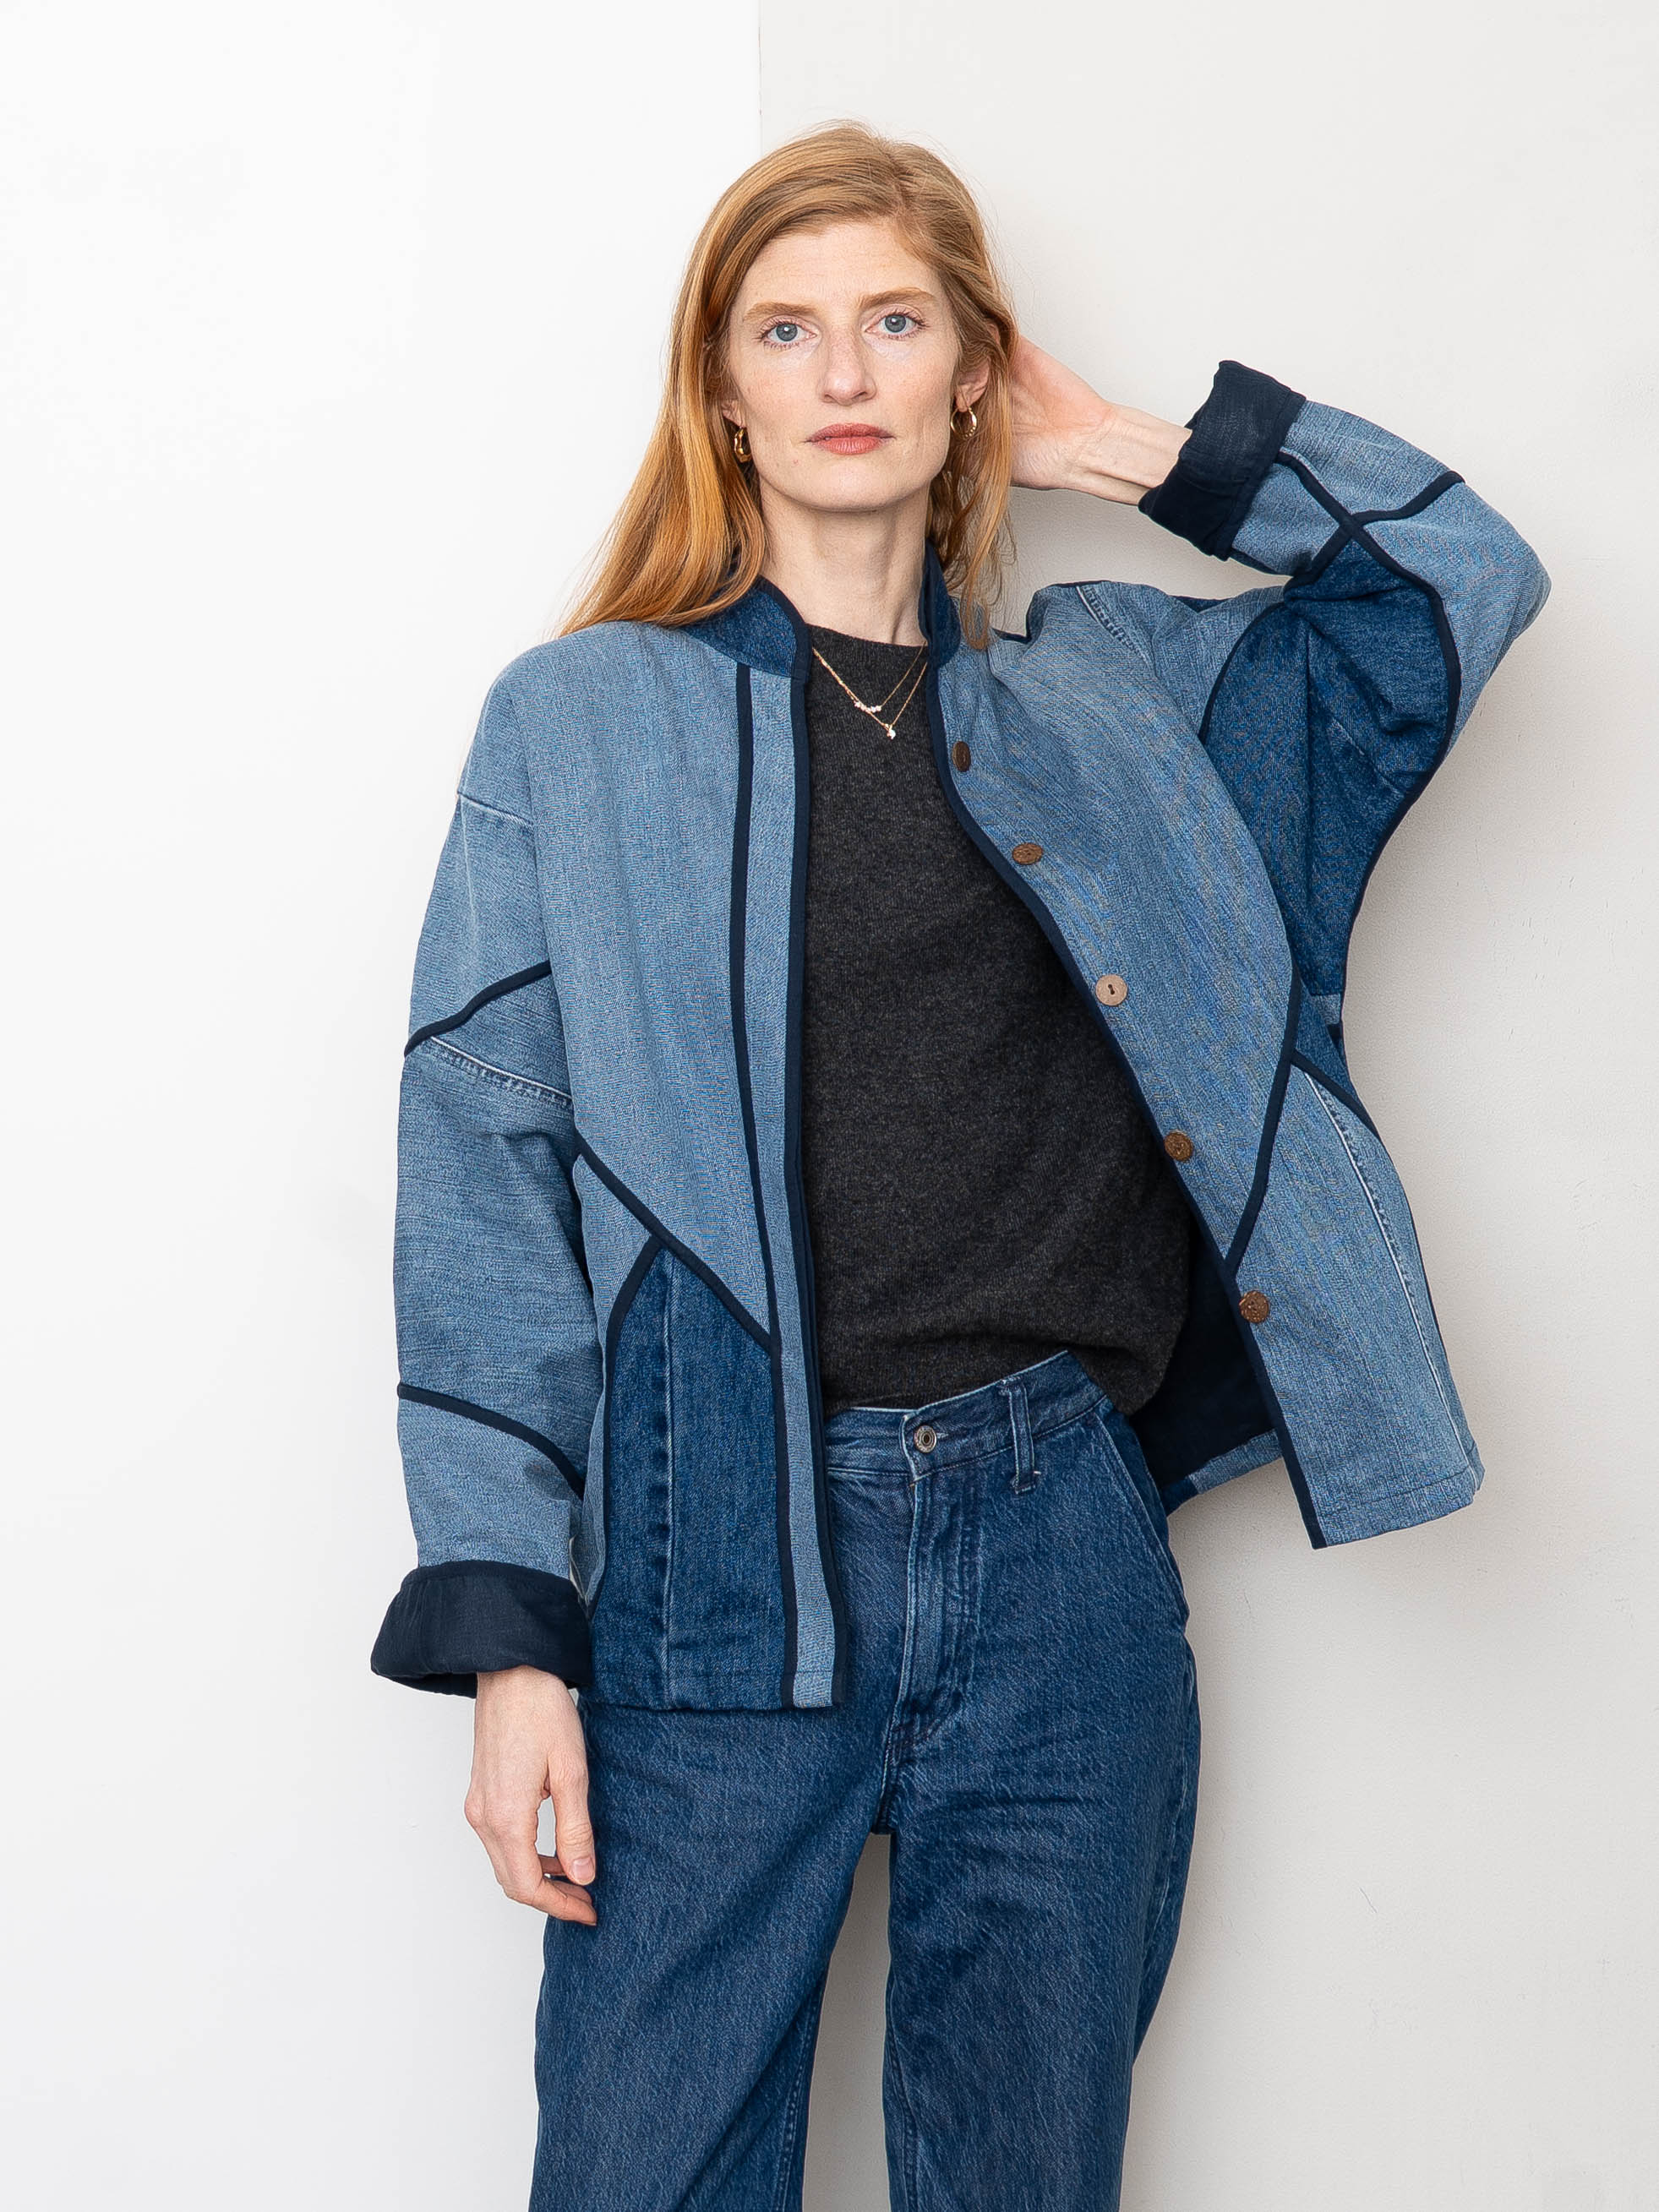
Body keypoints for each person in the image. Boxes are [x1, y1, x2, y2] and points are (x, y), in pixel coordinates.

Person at [370, 122, 1547, 2212]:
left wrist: (1136, 452)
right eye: (785, 329)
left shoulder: (1123, 700)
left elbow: (1455, 585)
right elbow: (481, 1176)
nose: (842, 372)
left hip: (1059, 1544)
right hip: (714, 1547)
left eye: (896, 323)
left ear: (968, 368)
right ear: (720, 387)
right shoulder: (580, 724)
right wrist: (514, 1648)